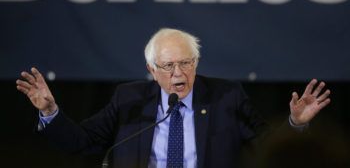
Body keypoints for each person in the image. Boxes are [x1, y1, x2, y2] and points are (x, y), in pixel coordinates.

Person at [16, 28, 331, 168]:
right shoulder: (129, 98)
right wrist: (51, 111)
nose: (179, 74)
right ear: (151, 70)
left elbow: (267, 150)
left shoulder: (226, 97)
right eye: (168, 66)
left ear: (196, 63)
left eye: (186, 63)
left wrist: (294, 124)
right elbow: (81, 141)